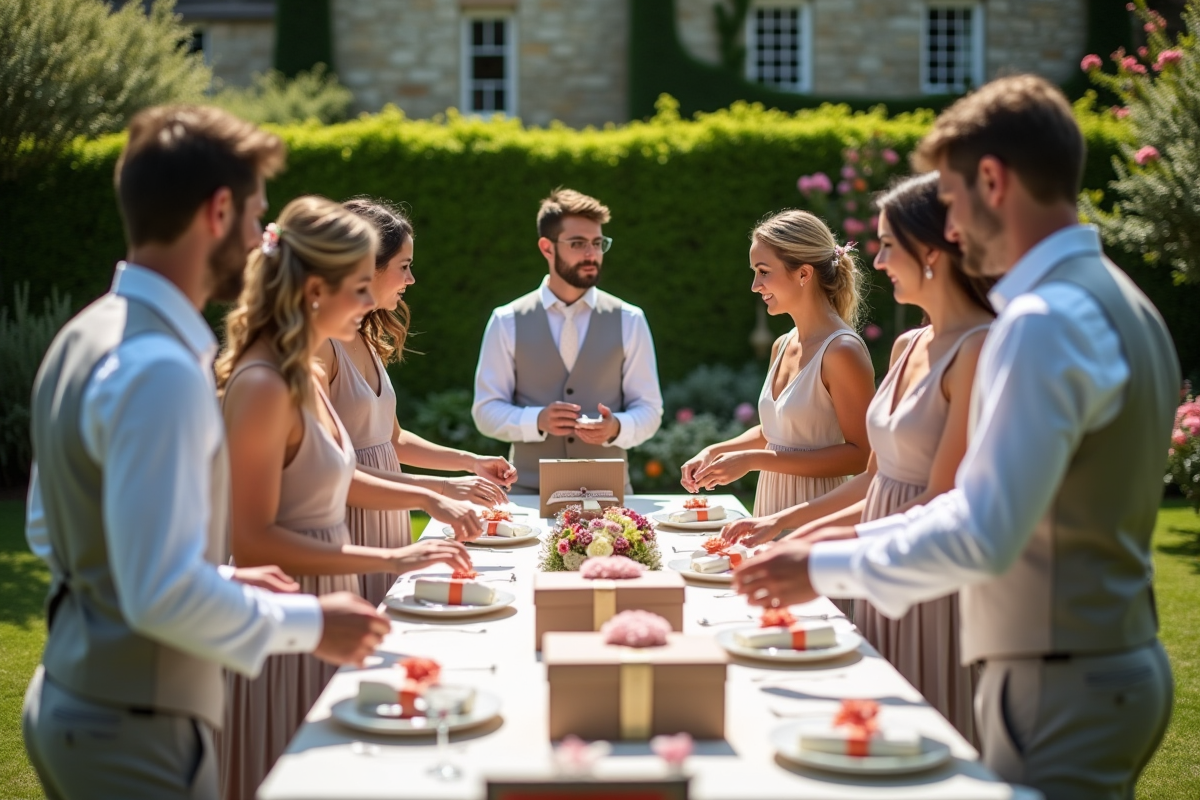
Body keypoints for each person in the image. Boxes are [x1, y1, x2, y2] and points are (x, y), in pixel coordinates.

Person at [733, 75, 1178, 800]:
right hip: (1103, 662)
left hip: (1058, 675)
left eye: (951, 195)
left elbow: (979, 528)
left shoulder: (1042, 320)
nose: (950, 224)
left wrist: (819, 564)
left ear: (993, 181)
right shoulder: (1121, 299)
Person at [21, 105, 389, 800]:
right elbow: (159, 593)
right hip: (135, 727)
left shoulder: (82, 335)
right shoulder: (160, 366)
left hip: (71, 699)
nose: (261, 242)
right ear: (218, 211)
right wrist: (313, 621)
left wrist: (220, 576)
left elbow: (53, 530)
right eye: (256, 217)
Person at [215, 196, 481, 799]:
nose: (370, 303)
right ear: (316, 289)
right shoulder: (263, 383)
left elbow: (337, 474)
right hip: (293, 612)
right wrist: (393, 557)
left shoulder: (304, 373)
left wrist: (431, 496)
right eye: (359, 287)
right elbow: (250, 542)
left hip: (329, 598)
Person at [722, 173, 994, 743]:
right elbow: (877, 479)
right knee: (863, 720)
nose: (878, 260)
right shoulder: (906, 345)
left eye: (889, 244)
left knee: (928, 729)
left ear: (933, 251)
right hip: (868, 550)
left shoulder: (977, 350)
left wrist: (817, 547)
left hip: (914, 563)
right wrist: (784, 527)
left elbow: (939, 498)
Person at [317, 197, 516, 605]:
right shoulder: (322, 346)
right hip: (345, 517)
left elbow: (390, 440)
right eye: (404, 266)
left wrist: (470, 462)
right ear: (366, 266)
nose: (411, 279)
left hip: (387, 513)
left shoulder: (364, 337)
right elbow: (325, 468)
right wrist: (439, 490)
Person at [680, 210, 875, 545]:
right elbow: (778, 431)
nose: (755, 286)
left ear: (803, 273)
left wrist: (754, 460)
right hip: (767, 511)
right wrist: (714, 451)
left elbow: (863, 455)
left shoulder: (842, 351)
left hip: (817, 516)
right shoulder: (782, 344)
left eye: (764, 272)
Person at [472, 188, 663, 494]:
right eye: (578, 243)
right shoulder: (506, 320)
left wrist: (616, 427)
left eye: (597, 243)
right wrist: (536, 420)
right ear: (547, 248)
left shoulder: (630, 319)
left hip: (609, 495)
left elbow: (650, 410)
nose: (591, 254)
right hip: (527, 494)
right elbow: (485, 411)